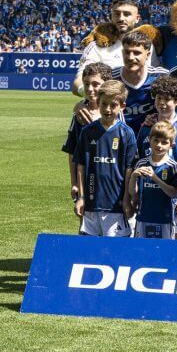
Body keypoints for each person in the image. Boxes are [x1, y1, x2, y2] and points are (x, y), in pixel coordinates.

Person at [72, 80, 137, 237]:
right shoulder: (87, 132)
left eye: (113, 105)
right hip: (91, 204)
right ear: (98, 103)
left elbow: (129, 169)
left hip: (116, 206)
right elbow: (81, 166)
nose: (107, 109)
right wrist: (81, 197)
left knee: (115, 252)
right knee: (88, 250)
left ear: (122, 106)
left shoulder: (127, 134)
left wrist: (127, 200)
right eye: (104, 104)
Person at [72, 0, 141, 97]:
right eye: (117, 14)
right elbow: (78, 82)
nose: (121, 18)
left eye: (127, 14)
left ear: (137, 18)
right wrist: (91, 95)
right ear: (111, 17)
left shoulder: (148, 46)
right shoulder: (96, 47)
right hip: (107, 109)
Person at [62, 63, 112, 203]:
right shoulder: (79, 114)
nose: (90, 89)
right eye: (86, 84)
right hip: (84, 178)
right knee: (84, 221)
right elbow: (72, 151)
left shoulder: (116, 111)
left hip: (111, 179)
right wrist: (74, 183)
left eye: (96, 84)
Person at [124, 121, 177, 240]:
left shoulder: (173, 166)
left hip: (164, 220)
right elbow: (133, 193)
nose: (159, 145)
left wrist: (155, 178)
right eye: (156, 140)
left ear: (172, 145)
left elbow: (174, 193)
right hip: (143, 218)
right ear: (149, 139)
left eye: (164, 142)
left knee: (163, 254)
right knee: (141, 253)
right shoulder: (141, 163)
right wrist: (134, 176)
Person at [112, 31, 168, 133]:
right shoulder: (111, 78)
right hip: (119, 139)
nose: (130, 57)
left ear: (148, 54)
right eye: (127, 52)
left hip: (153, 140)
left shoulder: (162, 76)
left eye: (137, 53)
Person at [136, 75, 177, 162]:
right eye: (159, 98)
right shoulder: (146, 125)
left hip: (174, 174)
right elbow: (139, 154)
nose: (162, 102)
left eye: (167, 99)